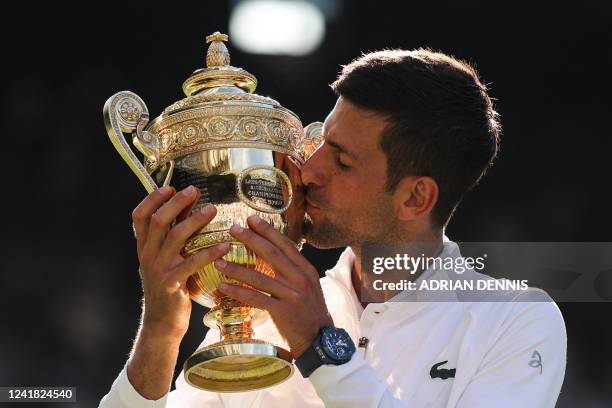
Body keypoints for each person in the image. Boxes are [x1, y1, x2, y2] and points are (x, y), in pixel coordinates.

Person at [99, 49, 566, 407]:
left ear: (414, 198)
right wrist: (161, 329)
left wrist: (321, 347)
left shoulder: (515, 322)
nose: (308, 169)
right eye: (321, 142)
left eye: (341, 160)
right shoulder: (257, 314)